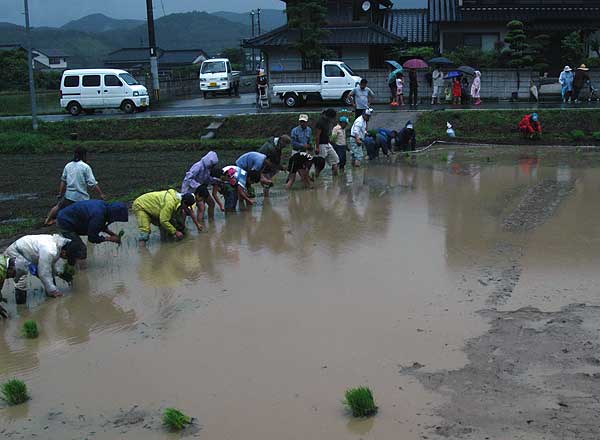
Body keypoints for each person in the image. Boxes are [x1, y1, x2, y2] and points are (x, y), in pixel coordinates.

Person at [4, 234, 84, 301]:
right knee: (21, 280)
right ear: (64, 252)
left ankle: (50, 295)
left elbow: (52, 266)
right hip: (17, 252)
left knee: (49, 274)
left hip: (29, 251)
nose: (65, 259)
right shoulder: (50, 250)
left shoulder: (62, 243)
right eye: (67, 257)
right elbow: (43, 273)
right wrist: (53, 291)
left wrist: (62, 274)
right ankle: (21, 307)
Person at [45, 147, 105, 226]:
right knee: (86, 213)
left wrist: (60, 193)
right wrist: (101, 194)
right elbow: (92, 183)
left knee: (58, 206)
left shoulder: (68, 165)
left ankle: (48, 220)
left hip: (69, 195)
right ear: (84, 155)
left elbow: (63, 181)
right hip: (81, 197)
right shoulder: (85, 167)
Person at [56, 200, 129, 257]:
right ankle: (81, 270)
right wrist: (110, 239)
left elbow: (100, 226)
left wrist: (112, 234)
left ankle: (66, 253)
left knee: (72, 246)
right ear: (114, 215)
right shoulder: (99, 215)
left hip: (68, 218)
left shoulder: (104, 207)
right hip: (65, 222)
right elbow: (92, 238)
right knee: (81, 250)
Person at [132, 190, 196, 245]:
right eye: (187, 206)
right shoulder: (170, 203)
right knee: (145, 232)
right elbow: (164, 220)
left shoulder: (178, 200)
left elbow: (174, 219)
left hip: (153, 207)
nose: (186, 208)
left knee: (164, 226)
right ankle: (143, 251)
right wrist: (175, 232)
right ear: (184, 202)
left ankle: (164, 243)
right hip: (140, 205)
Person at [180, 151, 222, 222]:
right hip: (192, 189)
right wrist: (198, 186)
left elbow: (207, 179)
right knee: (200, 208)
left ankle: (211, 221)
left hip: (201, 189)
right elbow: (188, 179)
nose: (213, 166)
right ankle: (198, 223)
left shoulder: (208, 169)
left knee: (211, 203)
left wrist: (216, 181)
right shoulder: (198, 166)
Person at [314, 108, 339, 177]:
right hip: (321, 145)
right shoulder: (320, 122)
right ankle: (316, 177)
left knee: (335, 160)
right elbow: (317, 136)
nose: (333, 119)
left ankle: (336, 180)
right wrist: (317, 147)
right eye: (333, 118)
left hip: (327, 143)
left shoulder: (328, 121)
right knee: (320, 164)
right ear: (329, 116)